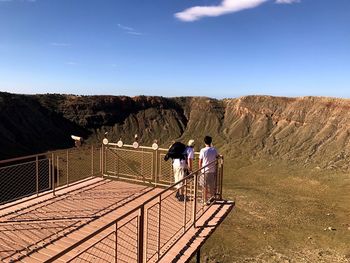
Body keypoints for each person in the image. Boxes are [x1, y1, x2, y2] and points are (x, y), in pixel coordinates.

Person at [198, 136, 218, 203]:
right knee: (211, 185)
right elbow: (217, 156)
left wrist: (200, 169)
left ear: (204, 142)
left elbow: (200, 161)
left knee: (204, 186)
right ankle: (212, 198)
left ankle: (204, 200)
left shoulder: (203, 150)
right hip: (212, 170)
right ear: (211, 142)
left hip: (204, 170)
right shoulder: (214, 150)